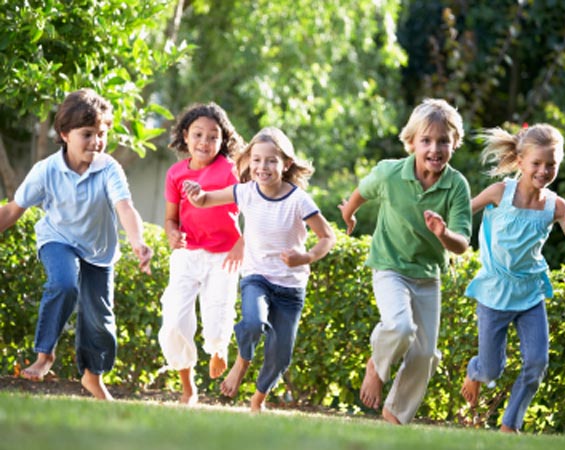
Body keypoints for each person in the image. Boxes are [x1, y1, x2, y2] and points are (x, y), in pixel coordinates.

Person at [0, 88, 153, 400]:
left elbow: (125, 207)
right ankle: (45, 355)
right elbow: (13, 210)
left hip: (99, 251)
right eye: (87, 134)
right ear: (64, 134)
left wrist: (138, 241)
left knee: (100, 321)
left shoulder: (108, 168)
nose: (96, 141)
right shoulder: (46, 171)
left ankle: (92, 377)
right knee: (64, 283)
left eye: (101, 134)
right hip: (58, 240)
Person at [183, 126, 336, 412]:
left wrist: (305, 257)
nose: (262, 167)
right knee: (253, 322)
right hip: (257, 277)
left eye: (270, 161)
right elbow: (204, 200)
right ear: (248, 161)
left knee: (280, 355)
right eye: (256, 160)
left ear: (285, 164)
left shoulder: (298, 200)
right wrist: (196, 193)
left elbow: (327, 236)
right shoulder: (246, 192)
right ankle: (242, 362)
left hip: (291, 287)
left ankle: (258, 400)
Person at [338, 98, 472, 425]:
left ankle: (395, 417)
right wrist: (349, 213)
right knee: (400, 327)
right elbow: (362, 191)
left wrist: (443, 233)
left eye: (443, 141)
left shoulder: (457, 186)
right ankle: (376, 366)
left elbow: (461, 243)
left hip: (428, 276)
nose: (434, 149)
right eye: (426, 140)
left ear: (455, 143)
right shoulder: (390, 173)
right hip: (390, 267)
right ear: (411, 142)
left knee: (425, 354)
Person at [460, 123, 565, 433]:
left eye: (551, 164)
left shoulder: (556, 205)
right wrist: (442, 228)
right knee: (491, 370)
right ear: (521, 161)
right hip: (495, 292)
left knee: (537, 362)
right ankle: (475, 370)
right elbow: (464, 212)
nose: (544, 170)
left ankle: (510, 425)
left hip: (530, 294)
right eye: (537, 163)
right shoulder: (500, 192)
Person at [158, 102, 245, 405]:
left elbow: (254, 206)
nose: (204, 142)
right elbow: (171, 219)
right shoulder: (175, 173)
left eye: (212, 137)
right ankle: (188, 386)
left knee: (218, 312)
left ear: (223, 140)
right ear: (185, 135)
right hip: (188, 253)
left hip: (224, 255)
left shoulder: (231, 170)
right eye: (197, 134)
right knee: (174, 320)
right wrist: (172, 233)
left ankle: (218, 348)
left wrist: (242, 243)